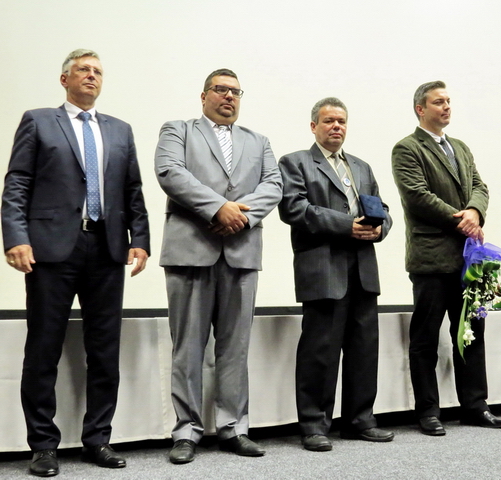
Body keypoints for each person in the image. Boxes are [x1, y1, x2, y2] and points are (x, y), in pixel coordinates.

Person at [1, 49, 150, 477]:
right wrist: (16, 237)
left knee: (104, 351)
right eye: (83, 69)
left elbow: (133, 189)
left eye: (97, 71)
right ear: (64, 79)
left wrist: (140, 239)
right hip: (51, 249)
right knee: (43, 348)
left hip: (106, 248)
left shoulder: (120, 130)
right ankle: (43, 445)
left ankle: (97, 439)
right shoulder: (38, 121)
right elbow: (18, 182)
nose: (91, 75)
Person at [154, 68, 282, 463]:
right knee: (188, 348)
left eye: (236, 92)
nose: (229, 97)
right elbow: (170, 172)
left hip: (241, 252)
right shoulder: (178, 130)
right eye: (221, 90)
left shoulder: (258, 141)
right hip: (191, 250)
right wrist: (218, 208)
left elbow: (273, 185)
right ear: (204, 95)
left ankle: (233, 428)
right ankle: (186, 431)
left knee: (235, 348)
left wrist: (240, 216)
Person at [391, 81, 501, 437]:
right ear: (420, 109)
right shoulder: (407, 148)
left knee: (471, 333)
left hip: (468, 260)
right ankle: (428, 411)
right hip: (431, 259)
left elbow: (480, 186)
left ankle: (475, 405)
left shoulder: (460, 147)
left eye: (448, 101)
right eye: (438, 102)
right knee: (426, 339)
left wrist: (475, 210)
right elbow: (417, 196)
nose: (446, 107)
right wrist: (464, 220)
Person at [278, 97, 394, 452]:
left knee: (364, 349)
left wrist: (381, 227)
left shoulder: (361, 167)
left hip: (363, 270)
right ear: (314, 126)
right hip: (323, 269)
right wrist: (347, 225)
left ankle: (360, 419)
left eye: (341, 121)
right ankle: (314, 424)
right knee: (320, 351)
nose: (336, 127)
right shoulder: (296, 162)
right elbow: (294, 208)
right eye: (329, 121)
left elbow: (382, 208)